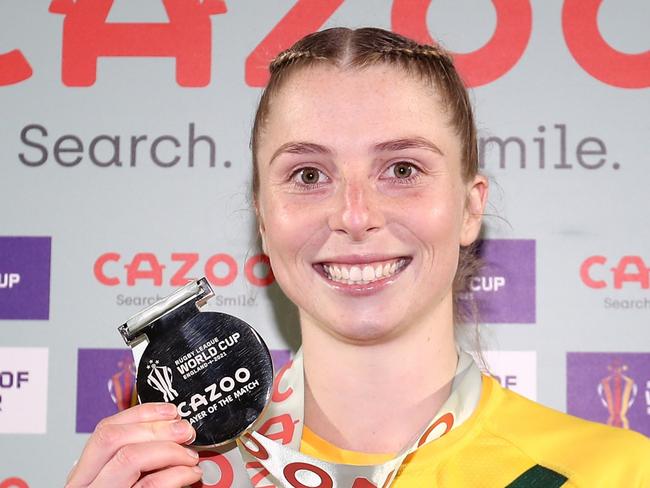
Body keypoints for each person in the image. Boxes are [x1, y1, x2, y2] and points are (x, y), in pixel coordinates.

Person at [66, 27, 650, 488]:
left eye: (402, 170)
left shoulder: (617, 474)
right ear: (264, 220)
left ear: (470, 209)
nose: (354, 214)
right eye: (309, 174)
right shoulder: (172, 475)